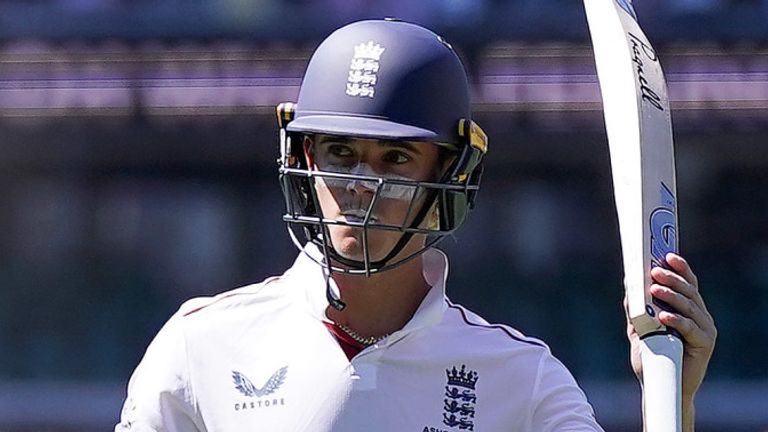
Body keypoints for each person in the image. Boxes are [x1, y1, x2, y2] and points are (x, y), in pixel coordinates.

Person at [115, 19, 716, 431]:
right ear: (302, 160)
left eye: (395, 159)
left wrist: (673, 402)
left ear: (450, 174)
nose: (362, 184)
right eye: (341, 153)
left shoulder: (522, 378)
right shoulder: (200, 345)